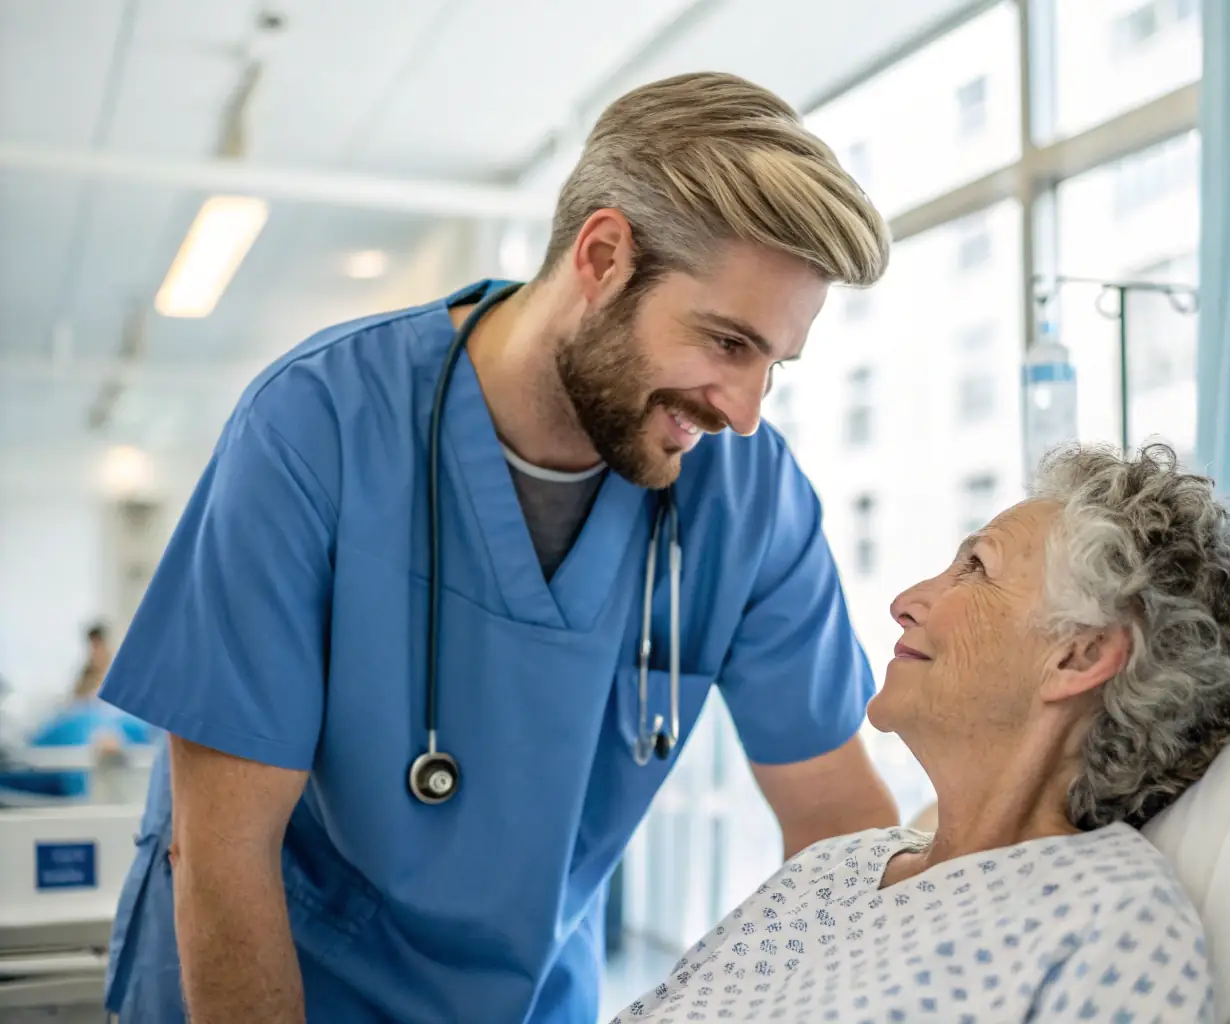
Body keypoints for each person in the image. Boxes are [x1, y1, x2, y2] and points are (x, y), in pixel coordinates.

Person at [96, 72, 900, 1024]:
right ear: (602, 256)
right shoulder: (319, 425)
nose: (744, 410)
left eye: (773, 363)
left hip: (524, 996)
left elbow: (832, 821)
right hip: (275, 983)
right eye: (726, 342)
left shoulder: (747, 496)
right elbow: (223, 856)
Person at [611, 443, 1230, 1023]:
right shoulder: (833, 869)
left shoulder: (1108, 924)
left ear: (1079, 657)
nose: (906, 601)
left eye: (974, 567)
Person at [71, 622, 111, 702]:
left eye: (97, 646)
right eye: (92, 646)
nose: (94, 652)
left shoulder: (115, 672)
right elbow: (76, 698)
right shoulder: (87, 674)